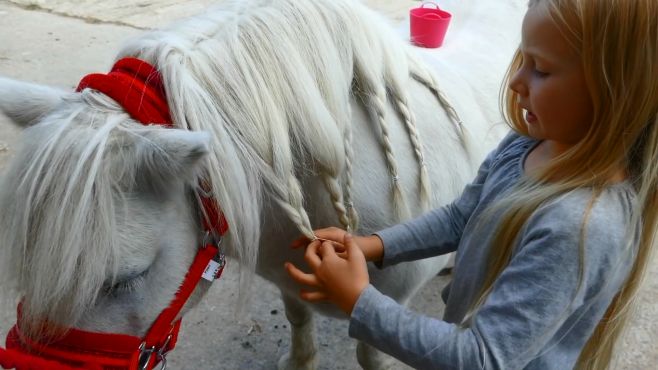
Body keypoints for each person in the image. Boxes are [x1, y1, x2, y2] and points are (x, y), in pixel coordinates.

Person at [284, 0, 658, 369]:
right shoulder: (530, 143)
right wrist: (374, 245)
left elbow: (481, 356)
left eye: (540, 69)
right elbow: (461, 217)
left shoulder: (579, 227)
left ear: (614, 91)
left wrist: (359, 300)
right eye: (521, 59)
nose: (515, 81)